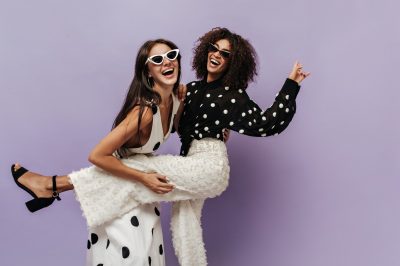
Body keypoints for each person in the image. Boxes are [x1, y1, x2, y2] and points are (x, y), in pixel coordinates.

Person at [12, 27, 310, 266]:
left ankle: (53, 184)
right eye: (214, 49)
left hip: (208, 165)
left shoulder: (231, 94)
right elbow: (181, 124)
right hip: (190, 161)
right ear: (205, 50)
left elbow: (266, 123)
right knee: (185, 227)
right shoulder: (189, 90)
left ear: (235, 63)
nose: (217, 56)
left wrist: (291, 85)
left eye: (226, 54)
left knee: (136, 166)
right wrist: (205, 122)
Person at [11, 38, 185, 266]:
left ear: (178, 61)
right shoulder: (144, 111)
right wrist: (144, 177)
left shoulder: (175, 99)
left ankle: (50, 185)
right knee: (132, 258)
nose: (166, 63)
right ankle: (48, 185)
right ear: (148, 71)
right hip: (121, 192)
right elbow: (97, 156)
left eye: (171, 56)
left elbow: (181, 128)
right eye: (157, 60)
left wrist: (219, 132)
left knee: (148, 256)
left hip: (140, 193)